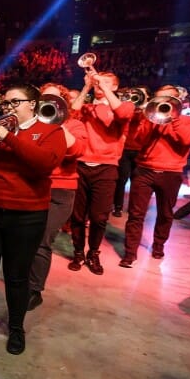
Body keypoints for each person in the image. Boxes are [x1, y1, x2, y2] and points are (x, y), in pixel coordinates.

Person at [0, 84, 66, 354]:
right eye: (6, 103)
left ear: (32, 104)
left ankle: (16, 328)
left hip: (27, 214)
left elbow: (43, 164)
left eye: (15, 102)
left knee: (17, 275)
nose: (8, 108)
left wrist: (9, 137)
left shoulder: (52, 131)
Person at [119, 86, 190, 267]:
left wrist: (173, 119)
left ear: (178, 101)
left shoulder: (189, 120)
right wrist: (148, 120)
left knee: (165, 213)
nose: (165, 102)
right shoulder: (150, 117)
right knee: (135, 214)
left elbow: (186, 140)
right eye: (161, 98)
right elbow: (139, 140)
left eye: (169, 98)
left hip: (171, 172)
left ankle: (158, 245)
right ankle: (130, 252)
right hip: (145, 170)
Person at [66, 64, 133, 275]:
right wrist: (86, 87)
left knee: (99, 217)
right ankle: (78, 252)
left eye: (105, 83)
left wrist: (106, 87)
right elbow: (71, 113)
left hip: (106, 168)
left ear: (115, 87)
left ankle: (93, 253)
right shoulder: (86, 109)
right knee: (77, 216)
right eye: (98, 82)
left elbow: (121, 113)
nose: (99, 86)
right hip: (81, 165)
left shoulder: (126, 106)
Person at [28, 83, 87, 310]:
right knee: (26, 237)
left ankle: (35, 289)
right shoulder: (33, 124)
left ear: (64, 102)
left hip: (61, 191)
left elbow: (77, 151)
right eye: (45, 99)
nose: (49, 103)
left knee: (42, 238)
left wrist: (57, 123)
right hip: (35, 186)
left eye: (55, 99)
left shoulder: (75, 125)